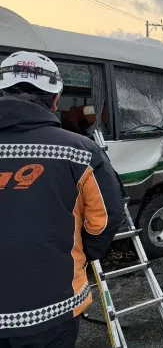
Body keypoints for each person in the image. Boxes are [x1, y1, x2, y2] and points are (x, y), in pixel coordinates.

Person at [0, 51, 124, 347]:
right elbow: (104, 219)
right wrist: (81, 254)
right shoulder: (79, 151)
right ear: (56, 99)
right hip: (52, 310)